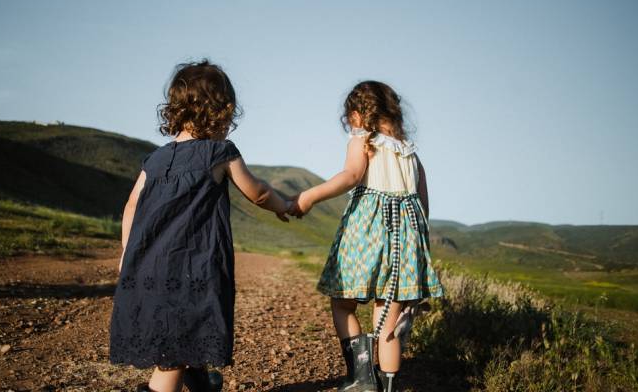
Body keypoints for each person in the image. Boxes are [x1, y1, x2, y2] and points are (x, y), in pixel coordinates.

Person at [109, 60, 291, 392]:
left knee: (181, 334)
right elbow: (259, 192)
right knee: (173, 355)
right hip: (192, 267)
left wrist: (127, 252)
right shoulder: (220, 152)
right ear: (222, 111)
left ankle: (202, 385)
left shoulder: (155, 159)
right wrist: (286, 205)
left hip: (147, 264)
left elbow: (132, 204)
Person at [290, 81, 444, 392]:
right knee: (388, 322)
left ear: (360, 114)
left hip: (366, 235)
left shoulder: (363, 141)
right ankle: (387, 386)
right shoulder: (412, 155)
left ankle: (361, 377)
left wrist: (308, 197)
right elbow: (423, 206)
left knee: (342, 303)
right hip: (405, 242)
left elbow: (350, 176)